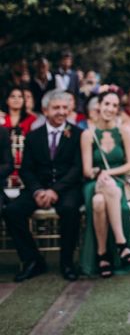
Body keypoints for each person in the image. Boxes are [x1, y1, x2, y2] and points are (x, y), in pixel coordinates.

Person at [3, 90, 83, 282]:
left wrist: (55, 191)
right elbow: (26, 170)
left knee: (70, 209)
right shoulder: (33, 137)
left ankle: (67, 262)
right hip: (37, 188)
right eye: (56, 108)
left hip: (66, 188)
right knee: (12, 211)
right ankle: (33, 260)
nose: (61, 112)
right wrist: (38, 190)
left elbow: (77, 168)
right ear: (45, 110)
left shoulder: (77, 134)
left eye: (64, 108)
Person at [79, 90, 130, 278]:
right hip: (94, 182)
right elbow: (87, 170)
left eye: (114, 105)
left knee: (99, 201)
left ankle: (102, 254)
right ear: (99, 106)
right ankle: (122, 245)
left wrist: (108, 172)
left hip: (117, 181)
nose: (110, 109)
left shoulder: (123, 131)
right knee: (105, 187)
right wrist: (99, 174)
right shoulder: (88, 134)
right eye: (107, 104)